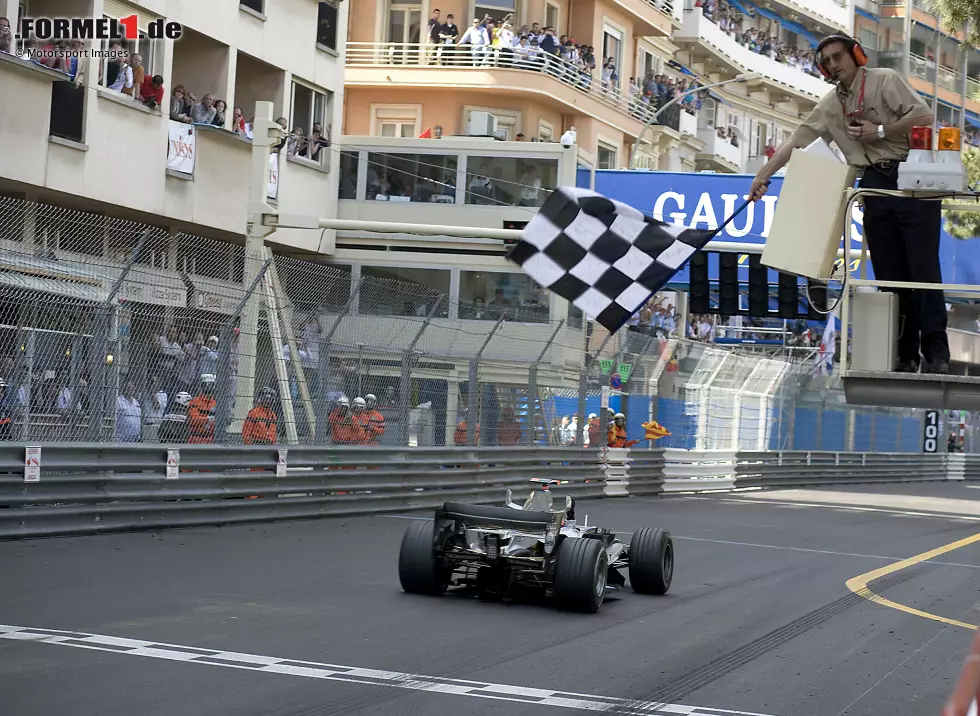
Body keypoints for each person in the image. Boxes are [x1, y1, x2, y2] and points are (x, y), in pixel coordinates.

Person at [748, 33, 949, 374]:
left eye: (838, 57)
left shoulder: (885, 80)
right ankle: (904, 354)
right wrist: (763, 175)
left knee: (923, 270)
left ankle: (937, 355)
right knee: (889, 276)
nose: (833, 65)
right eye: (825, 61)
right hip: (872, 183)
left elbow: (924, 118)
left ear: (856, 55)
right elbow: (798, 140)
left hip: (913, 175)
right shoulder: (828, 105)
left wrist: (881, 131)